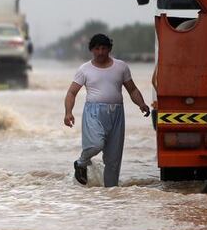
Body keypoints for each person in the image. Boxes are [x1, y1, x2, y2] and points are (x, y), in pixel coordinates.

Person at [63, 34, 150, 186]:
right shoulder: (84, 69)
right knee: (95, 145)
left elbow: (132, 89)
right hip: (94, 113)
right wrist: (68, 112)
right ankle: (81, 162)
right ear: (91, 50)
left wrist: (141, 104)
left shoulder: (121, 67)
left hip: (117, 114)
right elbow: (71, 92)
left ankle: (111, 195)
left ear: (109, 49)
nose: (101, 52)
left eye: (104, 48)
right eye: (97, 48)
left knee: (113, 159)